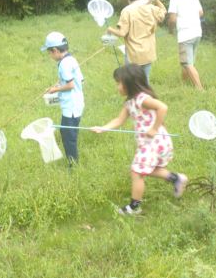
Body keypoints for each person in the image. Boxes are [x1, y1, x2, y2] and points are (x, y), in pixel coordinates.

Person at [91, 64, 187, 215]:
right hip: (148, 143)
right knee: (149, 169)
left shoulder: (142, 99)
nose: (117, 87)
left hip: (154, 142)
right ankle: (176, 178)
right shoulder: (130, 103)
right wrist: (103, 128)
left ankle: (134, 207)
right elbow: (119, 120)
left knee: (137, 172)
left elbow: (163, 107)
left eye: (119, 83)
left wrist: (154, 129)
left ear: (130, 83)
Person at [106, 0, 167, 83]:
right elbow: (164, 11)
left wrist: (110, 30)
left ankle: (135, 98)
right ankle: (145, 97)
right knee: (145, 80)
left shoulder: (127, 11)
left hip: (133, 54)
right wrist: (156, 0)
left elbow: (122, 33)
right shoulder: (151, 8)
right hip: (148, 52)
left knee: (132, 82)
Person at [41, 32, 84, 166]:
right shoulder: (71, 59)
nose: (50, 56)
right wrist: (58, 85)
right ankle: (73, 156)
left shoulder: (64, 64)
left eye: (50, 53)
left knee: (67, 136)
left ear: (55, 50)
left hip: (70, 106)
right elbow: (80, 81)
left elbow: (70, 85)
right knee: (70, 131)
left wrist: (56, 90)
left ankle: (73, 164)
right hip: (78, 103)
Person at [166, 0, 204, 90]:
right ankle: (183, 83)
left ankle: (200, 89)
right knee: (188, 61)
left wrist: (171, 30)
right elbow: (201, 12)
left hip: (185, 35)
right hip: (197, 32)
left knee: (187, 63)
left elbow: (172, 19)